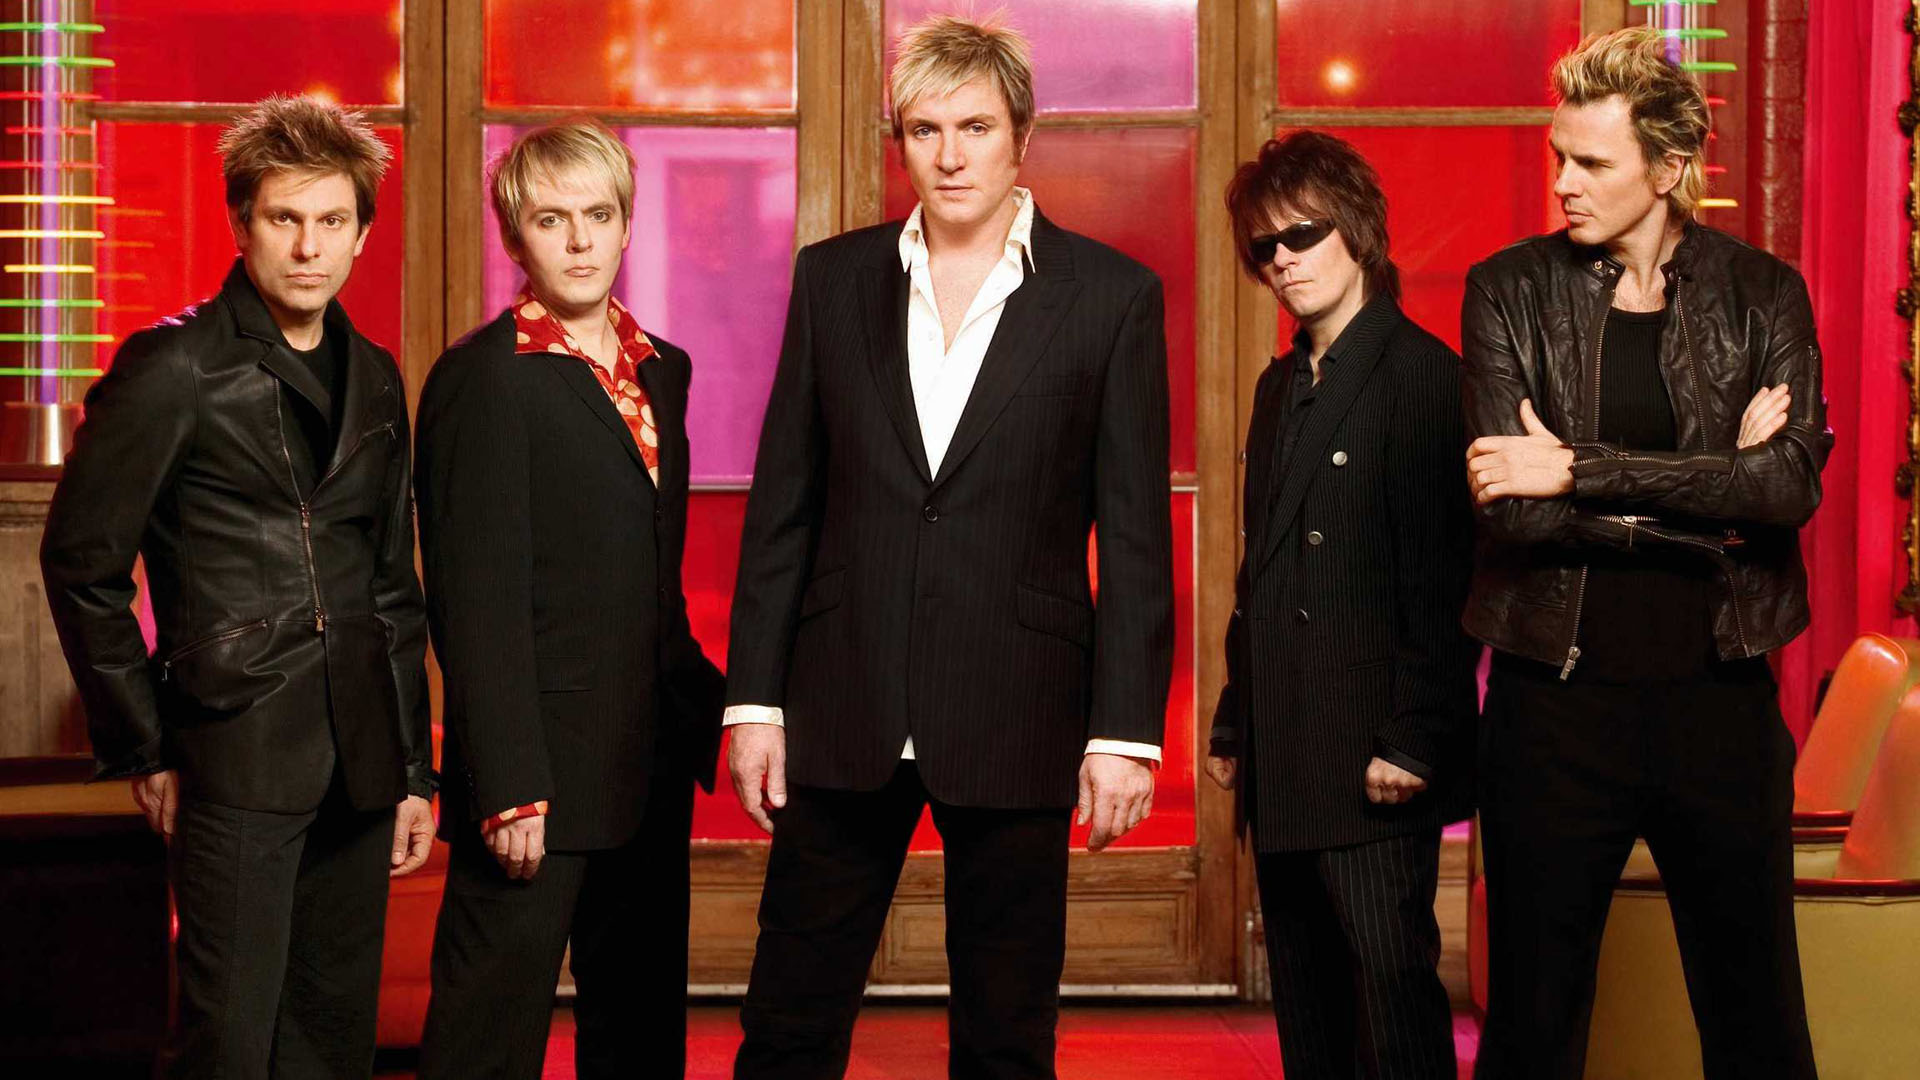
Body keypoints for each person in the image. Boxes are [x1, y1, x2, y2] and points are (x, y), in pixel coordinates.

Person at [723, 14, 1173, 1080]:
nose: (951, 155)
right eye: (925, 130)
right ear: (902, 143)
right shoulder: (832, 281)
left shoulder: (1113, 298)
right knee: (788, 1023)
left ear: (1023, 135)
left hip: (1019, 702)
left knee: (1006, 1036)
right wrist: (754, 705)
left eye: (976, 127)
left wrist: (1124, 732)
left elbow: (1135, 534)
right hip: (845, 696)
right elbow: (784, 507)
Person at [40, 95, 433, 1078]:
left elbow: (391, 587)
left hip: (361, 759)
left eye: (331, 220)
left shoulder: (376, 376)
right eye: (284, 217)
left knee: (331, 1044)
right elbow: (82, 563)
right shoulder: (174, 367)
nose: (308, 246)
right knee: (229, 1044)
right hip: (234, 745)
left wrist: (413, 769)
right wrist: (145, 742)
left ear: (362, 233)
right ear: (240, 222)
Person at [1461, 26, 1827, 1080]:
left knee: (1757, 1027)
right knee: (1531, 1032)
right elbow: (1513, 515)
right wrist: (1715, 489)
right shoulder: (1509, 289)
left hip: (1721, 702)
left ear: (1667, 170)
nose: (1563, 184)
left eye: (1592, 162)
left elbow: (1786, 490)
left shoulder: (1762, 293)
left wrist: (1579, 468)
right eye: (1558, 158)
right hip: (1552, 708)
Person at [412, 120, 726, 1080]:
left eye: (599, 215)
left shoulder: (662, 368)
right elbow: (475, 603)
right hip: (535, 776)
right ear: (516, 237)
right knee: (485, 1042)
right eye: (552, 220)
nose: (581, 240)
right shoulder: (482, 378)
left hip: (647, 761)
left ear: (626, 223)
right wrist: (508, 783)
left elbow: (651, 578)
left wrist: (716, 712)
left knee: (639, 1043)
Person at [1207, 130, 1478, 1080]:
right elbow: (1261, 573)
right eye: (1264, 246)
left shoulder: (1424, 377)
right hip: (1285, 744)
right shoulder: (1278, 385)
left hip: (1375, 755)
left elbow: (1446, 581)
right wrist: (1235, 720)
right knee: (1309, 1010)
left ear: (1357, 229)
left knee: (1392, 997)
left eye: (1303, 234)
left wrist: (1414, 738)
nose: (1283, 260)